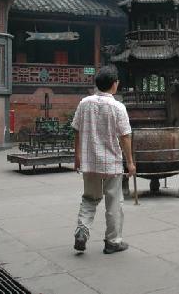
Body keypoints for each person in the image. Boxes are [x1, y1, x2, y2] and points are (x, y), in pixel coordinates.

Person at [72, 66, 136, 254]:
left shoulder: (84, 103)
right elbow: (125, 136)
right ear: (114, 84)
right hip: (111, 163)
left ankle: (82, 231)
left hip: (89, 162)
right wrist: (130, 162)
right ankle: (113, 242)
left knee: (89, 199)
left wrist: (77, 156)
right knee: (114, 202)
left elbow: (76, 129)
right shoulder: (118, 107)